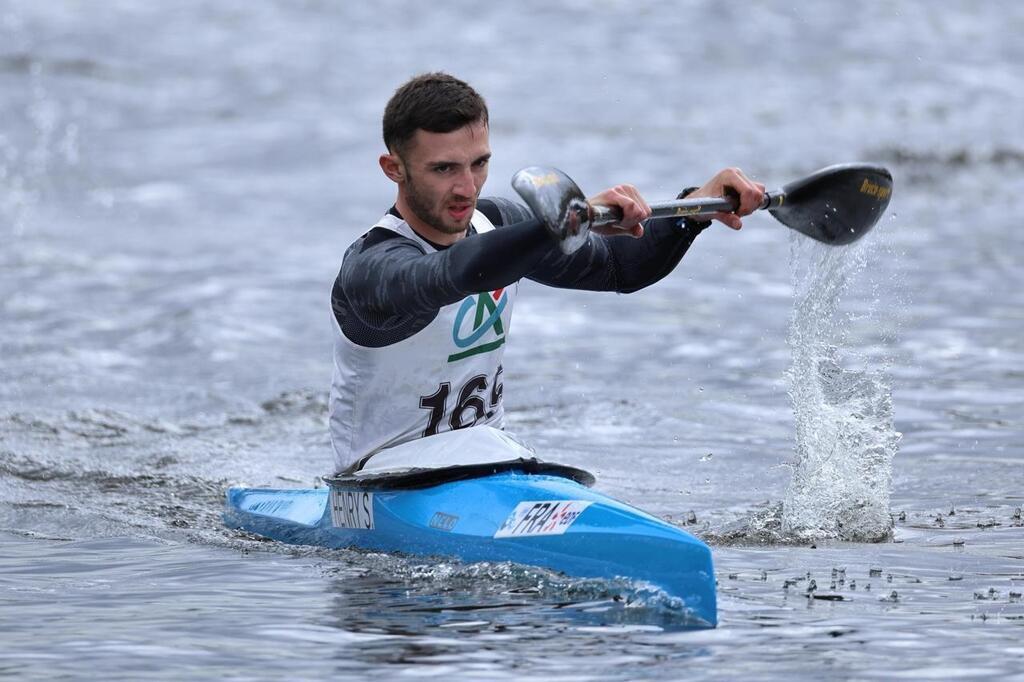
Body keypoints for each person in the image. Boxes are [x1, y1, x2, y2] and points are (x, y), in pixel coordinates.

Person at [329, 72, 764, 474]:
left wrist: (693, 209)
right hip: (382, 485)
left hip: (488, 462)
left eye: (478, 163)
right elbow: (451, 272)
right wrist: (554, 229)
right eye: (444, 169)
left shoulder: (498, 223)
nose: (467, 187)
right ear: (394, 168)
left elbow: (620, 268)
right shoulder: (371, 269)